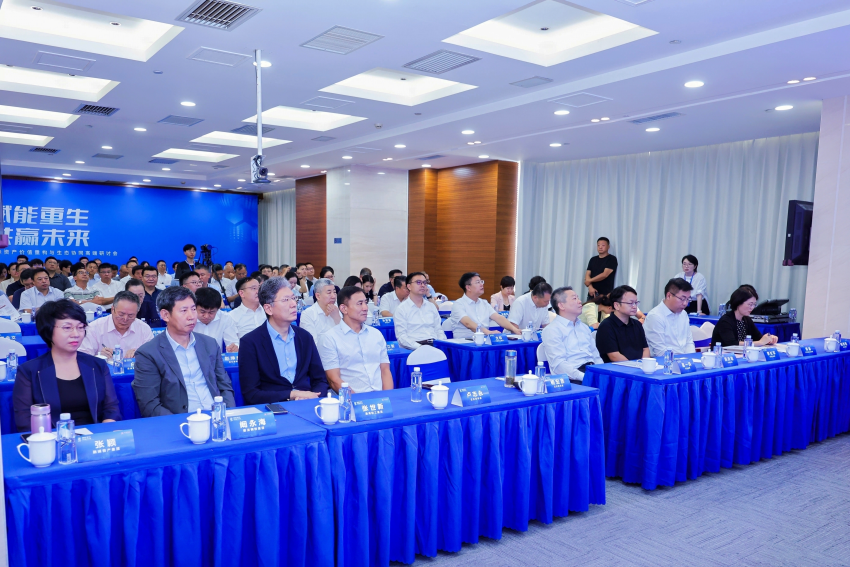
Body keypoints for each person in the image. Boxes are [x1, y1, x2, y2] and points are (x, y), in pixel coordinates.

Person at [13, 299, 121, 430]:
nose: (76, 334)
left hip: (95, 436)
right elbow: (24, 421)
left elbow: (111, 408)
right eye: (67, 328)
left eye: (80, 327)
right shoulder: (29, 371)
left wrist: (105, 431)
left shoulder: (97, 365)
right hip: (50, 438)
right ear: (48, 330)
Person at [132, 287, 236, 417]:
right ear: (165, 315)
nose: (191, 316)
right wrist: (181, 422)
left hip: (217, 416)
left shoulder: (210, 344)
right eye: (184, 311)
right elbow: (150, 404)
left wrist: (228, 413)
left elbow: (224, 386)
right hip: (179, 420)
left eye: (193, 309)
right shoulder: (148, 353)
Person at [239, 277, 327, 404]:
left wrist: (315, 397)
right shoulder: (250, 342)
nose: (293, 304)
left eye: (293, 298)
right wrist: (292, 395)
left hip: (306, 404)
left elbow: (320, 380)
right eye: (285, 300)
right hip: (271, 408)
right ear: (268, 308)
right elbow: (251, 394)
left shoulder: (305, 337)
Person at [319, 286, 393, 393]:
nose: (365, 308)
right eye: (359, 303)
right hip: (351, 398)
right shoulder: (329, 338)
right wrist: (357, 400)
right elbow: (334, 379)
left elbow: (385, 370)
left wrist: (387, 396)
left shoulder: (376, 334)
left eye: (365, 302)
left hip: (380, 397)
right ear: (344, 308)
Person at [541, 287, 603, 383]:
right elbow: (559, 365)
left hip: (592, 371)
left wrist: (602, 373)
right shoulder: (552, 330)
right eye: (574, 298)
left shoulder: (584, 327)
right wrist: (585, 377)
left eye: (578, 298)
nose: (580, 301)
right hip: (573, 378)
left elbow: (596, 356)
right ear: (561, 305)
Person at [79, 291, 154, 358]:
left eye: (131, 315)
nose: (125, 319)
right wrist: (98, 357)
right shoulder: (94, 328)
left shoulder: (144, 329)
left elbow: (152, 357)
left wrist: (141, 355)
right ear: (112, 309)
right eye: (121, 314)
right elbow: (82, 358)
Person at [448, 272, 521, 338]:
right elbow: (468, 323)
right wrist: (488, 332)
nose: (481, 284)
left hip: (484, 340)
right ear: (468, 287)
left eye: (481, 281)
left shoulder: (484, 303)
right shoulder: (458, 304)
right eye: (478, 282)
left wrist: (514, 329)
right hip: (464, 342)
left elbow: (498, 318)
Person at [595, 285, 650, 362]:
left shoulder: (637, 324)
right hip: (617, 368)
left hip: (639, 366)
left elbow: (645, 349)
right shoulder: (606, 326)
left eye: (636, 303)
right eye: (630, 303)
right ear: (616, 305)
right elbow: (614, 356)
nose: (635, 307)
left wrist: (644, 364)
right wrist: (634, 366)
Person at [711, 287, 778, 348]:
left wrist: (769, 339)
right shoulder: (725, 321)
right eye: (750, 304)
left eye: (754, 305)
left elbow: (758, 337)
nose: (752, 308)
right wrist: (760, 342)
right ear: (738, 303)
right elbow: (732, 344)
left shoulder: (747, 319)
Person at [643, 278, 696, 357]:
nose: (685, 303)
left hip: (684, 360)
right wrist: (682, 360)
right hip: (664, 361)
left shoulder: (683, 314)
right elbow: (660, 351)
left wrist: (691, 358)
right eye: (682, 299)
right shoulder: (655, 316)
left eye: (688, 299)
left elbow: (689, 342)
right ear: (669, 296)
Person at [394, 272, 446, 350]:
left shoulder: (431, 306)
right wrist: (421, 348)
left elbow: (439, 330)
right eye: (418, 282)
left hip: (435, 345)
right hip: (414, 347)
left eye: (424, 283)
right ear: (409, 286)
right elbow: (402, 337)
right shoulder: (401, 309)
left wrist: (441, 344)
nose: (422, 285)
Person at [194, 288, 239, 352]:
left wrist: (233, 347)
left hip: (216, 357)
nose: (206, 316)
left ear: (218, 309)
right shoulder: (187, 318)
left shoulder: (225, 318)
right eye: (202, 311)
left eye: (211, 312)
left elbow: (232, 341)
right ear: (194, 306)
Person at [300, 278, 341, 343]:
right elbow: (312, 344)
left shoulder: (339, 310)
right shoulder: (308, 314)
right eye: (329, 293)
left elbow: (348, 337)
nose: (333, 296)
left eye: (334, 292)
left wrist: (337, 318)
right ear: (318, 296)